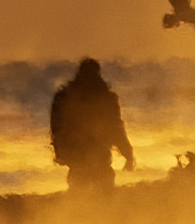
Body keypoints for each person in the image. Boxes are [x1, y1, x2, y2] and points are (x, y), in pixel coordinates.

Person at [49, 57, 136, 195]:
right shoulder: (106, 98)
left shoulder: (65, 97)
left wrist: (60, 152)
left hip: (77, 158)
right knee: (103, 198)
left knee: (79, 196)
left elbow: (56, 127)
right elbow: (116, 128)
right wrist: (128, 153)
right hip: (98, 157)